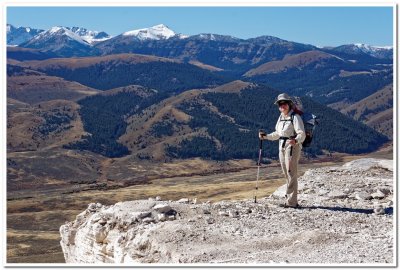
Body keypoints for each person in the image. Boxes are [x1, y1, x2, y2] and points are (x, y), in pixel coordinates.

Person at [259, 93, 306, 208]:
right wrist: (266, 136)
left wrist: (296, 140)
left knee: (291, 173)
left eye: (284, 103)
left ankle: (292, 202)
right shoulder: (280, 117)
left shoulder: (295, 117)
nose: (282, 106)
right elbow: (277, 134)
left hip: (292, 148)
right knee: (286, 173)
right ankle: (289, 200)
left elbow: (302, 134)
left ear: (289, 104)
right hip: (282, 147)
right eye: (280, 104)